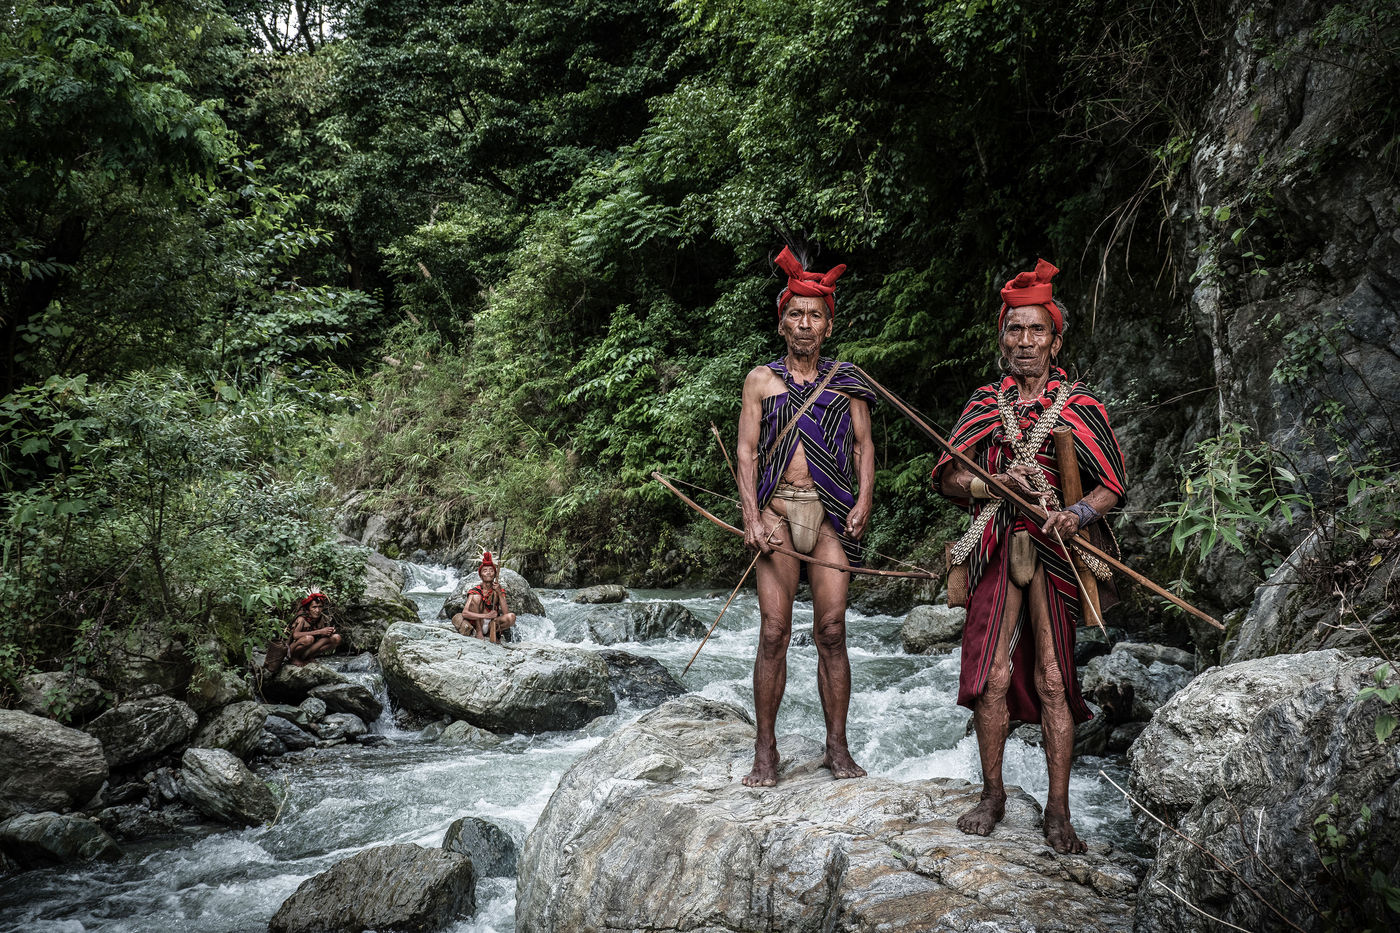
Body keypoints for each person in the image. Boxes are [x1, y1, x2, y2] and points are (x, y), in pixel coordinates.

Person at [933, 259, 1127, 854]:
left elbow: (1111, 485)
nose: (1024, 342)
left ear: (1055, 339)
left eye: (1035, 331)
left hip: (1058, 550)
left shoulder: (1080, 405)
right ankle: (992, 794)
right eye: (1014, 331)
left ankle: (1059, 810)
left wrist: (1078, 514)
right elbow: (946, 476)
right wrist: (987, 486)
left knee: (1051, 678)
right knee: (990, 676)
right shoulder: (985, 403)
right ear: (1002, 338)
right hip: (996, 543)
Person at [735, 245, 877, 787]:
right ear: (781, 322)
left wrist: (863, 501)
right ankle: (765, 752)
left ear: (828, 325)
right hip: (776, 512)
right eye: (795, 313)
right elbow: (747, 452)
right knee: (773, 631)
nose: (804, 324)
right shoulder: (760, 382)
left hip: (830, 516)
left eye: (815, 315)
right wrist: (751, 515)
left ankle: (837, 748)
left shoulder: (848, 381)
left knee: (832, 630)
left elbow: (865, 447)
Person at [454, 551, 516, 643]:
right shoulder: (474, 591)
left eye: (491, 571)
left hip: (492, 624)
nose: (488, 573)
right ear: (481, 575)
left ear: (495, 575)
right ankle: (479, 632)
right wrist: (486, 615)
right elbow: (465, 613)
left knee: (512, 617)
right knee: (476, 598)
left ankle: (494, 632)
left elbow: (506, 612)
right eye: (485, 571)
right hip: (478, 622)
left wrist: (499, 593)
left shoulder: (498, 589)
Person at [288, 592, 341, 665]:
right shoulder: (301, 618)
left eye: (320, 606)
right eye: (314, 607)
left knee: (336, 638)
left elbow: (321, 636)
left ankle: (308, 657)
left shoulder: (321, 618)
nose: (317, 610)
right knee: (308, 639)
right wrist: (320, 631)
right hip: (292, 649)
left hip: (308, 648)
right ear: (308, 608)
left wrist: (328, 632)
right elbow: (295, 635)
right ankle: (294, 658)